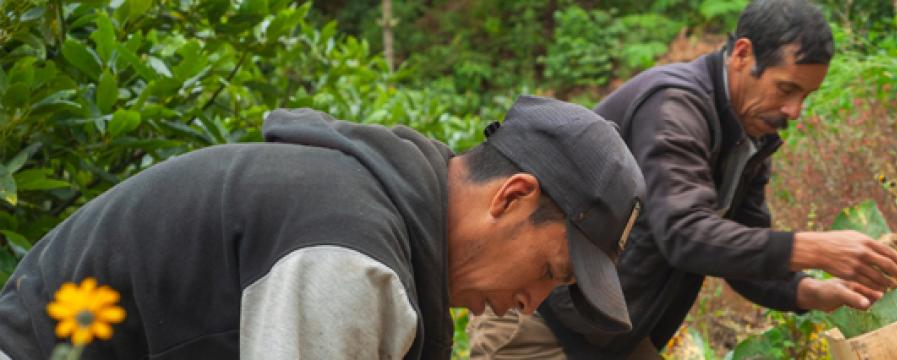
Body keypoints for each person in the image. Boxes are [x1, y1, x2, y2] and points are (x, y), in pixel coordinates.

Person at [0, 96, 644, 360]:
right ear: (512, 196)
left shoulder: (381, 211)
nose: (531, 303)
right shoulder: (349, 250)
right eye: (548, 271)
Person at [469, 0, 897, 358]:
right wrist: (816, 247)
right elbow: (684, 233)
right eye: (786, 89)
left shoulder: (749, 136)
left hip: (605, 330)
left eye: (805, 97)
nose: (795, 111)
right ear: (742, 55)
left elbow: (744, 252)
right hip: (539, 319)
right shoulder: (674, 106)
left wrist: (811, 291)